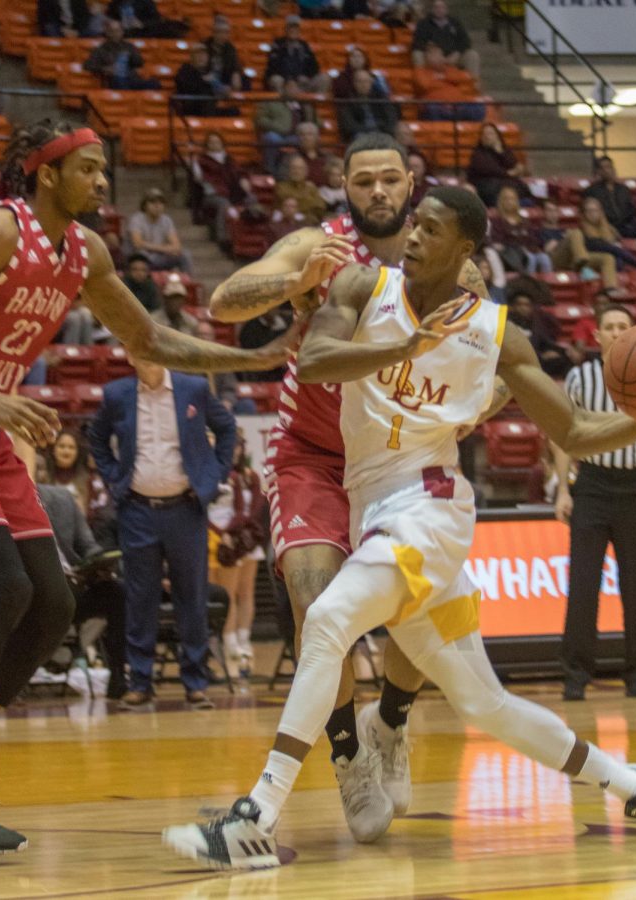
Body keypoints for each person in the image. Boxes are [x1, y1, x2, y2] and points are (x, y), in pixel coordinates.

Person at [163, 186, 636, 870]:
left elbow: (574, 433)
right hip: (373, 504)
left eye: (432, 228)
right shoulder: (365, 286)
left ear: (465, 251)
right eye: (414, 225)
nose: (415, 235)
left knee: (331, 619)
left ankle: (256, 815)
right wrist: (402, 343)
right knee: (485, 705)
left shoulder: (496, 334)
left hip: (428, 508)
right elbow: (312, 362)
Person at [0, 116, 297, 853]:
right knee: (4, 588)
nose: (104, 182)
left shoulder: (86, 251)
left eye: (105, 169)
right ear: (47, 174)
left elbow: (149, 340)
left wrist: (256, 357)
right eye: (90, 169)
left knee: (52, 601)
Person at [205, 133, 489, 844]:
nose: (378, 194)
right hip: (312, 453)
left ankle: (390, 722)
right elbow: (224, 301)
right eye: (363, 182)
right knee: (314, 602)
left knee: (414, 607)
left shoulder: (452, 263)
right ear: (344, 185)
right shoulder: (317, 245)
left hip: (400, 459)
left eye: (390, 179)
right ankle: (346, 756)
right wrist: (293, 284)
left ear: (412, 180)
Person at [89, 353, 237, 709]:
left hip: (186, 509)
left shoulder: (194, 388)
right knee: (140, 600)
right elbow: (96, 439)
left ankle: (196, 682)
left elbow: (227, 427)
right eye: (136, 348)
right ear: (130, 355)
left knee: (192, 597)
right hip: (137, 510)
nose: (145, 355)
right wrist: (113, 478)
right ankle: (140, 682)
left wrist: (213, 476)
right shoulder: (116, 394)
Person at [553, 304, 636, 701]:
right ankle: (576, 676)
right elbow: (561, 432)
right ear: (598, 336)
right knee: (583, 586)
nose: (614, 332)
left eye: (622, 327)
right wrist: (562, 488)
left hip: (635, 489)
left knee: (633, 588)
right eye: (608, 326)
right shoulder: (580, 376)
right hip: (591, 486)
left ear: (632, 334)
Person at [36, 481, 127, 699]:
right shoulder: (3, 497)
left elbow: (88, 545)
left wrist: (100, 563)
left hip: (72, 583)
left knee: (115, 593)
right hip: (33, 590)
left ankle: (119, 678)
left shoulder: (62, 498)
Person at [209, 431, 267, 677]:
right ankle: (227, 640)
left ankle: (243, 640)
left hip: (242, 539)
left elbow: (253, 509)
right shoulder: (211, 472)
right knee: (224, 593)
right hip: (214, 537)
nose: (234, 450)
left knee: (244, 592)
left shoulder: (250, 476)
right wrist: (218, 532)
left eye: (237, 446)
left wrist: (234, 531)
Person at [191, 132, 253, 250]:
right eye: (211, 142)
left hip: (233, 191)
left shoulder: (229, 159)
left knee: (251, 198)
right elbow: (199, 179)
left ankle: (249, 235)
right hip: (212, 194)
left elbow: (240, 172)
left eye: (217, 141)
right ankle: (223, 237)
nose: (214, 144)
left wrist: (244, 179)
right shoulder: (201, 161)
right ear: (207, 144)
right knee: (224, 204)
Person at [126, 187, 193, 274]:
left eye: (161, 203)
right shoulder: (137, 219)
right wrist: (166, 248)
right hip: (141, 257)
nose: (157, 206)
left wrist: (155, 248)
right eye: (153, 202)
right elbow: (138, 243)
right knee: (142, 254)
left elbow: (177, 246)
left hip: (159, 256)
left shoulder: (166, 220)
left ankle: (187, 283)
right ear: (145, 205)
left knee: (185, 254)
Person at [83, 19, 161, 91]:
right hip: (115, 79)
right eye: (112, 31)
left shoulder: (129, 46)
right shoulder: (100, 49)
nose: (115, 34)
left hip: (131, 78)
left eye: (117, 31)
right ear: (107, 33)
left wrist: (132, 57)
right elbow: (88, 65)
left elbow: (139, 63)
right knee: (119, 80)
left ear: (122, 32)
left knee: (154, 83)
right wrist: (104, 69)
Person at [413, 43, 483, 122]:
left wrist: (441, 77)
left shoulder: (449, 69)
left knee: (478, 107)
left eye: (439, 54)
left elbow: (464, 78)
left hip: (457, 107)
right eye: (433, 54)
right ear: (426, 57)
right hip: (437, 108)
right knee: (432, 108)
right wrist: (447, 80)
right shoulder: (421, 71)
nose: (437, 57)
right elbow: (424, 85)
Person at [411, 0, 480, 80]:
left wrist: (457, 53)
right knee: (417, 54)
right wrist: (430, 51)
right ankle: (422, 82)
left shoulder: (455, 23)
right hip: (432, 56)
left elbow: (466, 41)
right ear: (432, 9)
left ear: (446, 9)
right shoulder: (423, 24)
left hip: (453, 56)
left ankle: (474, 84)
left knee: (472, 55)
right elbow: (417, 42)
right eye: (436, 7)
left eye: (442, 7)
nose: (439, 10)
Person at [492, 184, 552, 275]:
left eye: (512, 199)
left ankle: (548, 285)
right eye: (506, 199)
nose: (509, 202)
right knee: (530, 258)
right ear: (501, 201)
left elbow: (533, 239)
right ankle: (528, 284)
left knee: (544, 258)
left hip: (529, 251)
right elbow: (499, 243)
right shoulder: (497, 221)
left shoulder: (524, 221)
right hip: (511, 255)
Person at [583, 156, 636, 238]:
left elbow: (631, 210)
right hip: (606, 227)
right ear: (598, 171)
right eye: (604, 168)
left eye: (609, 167)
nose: (607, 171)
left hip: (626, 226)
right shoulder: (592, 191)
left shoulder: (624, 189)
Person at [264, 15, 330, 94]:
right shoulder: (278, 44)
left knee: (324, 78)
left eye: (296, 28)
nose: (293, 30)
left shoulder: (304, 45)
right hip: (284, 81)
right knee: (276, 79)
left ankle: (315, 104)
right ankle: (284, 105)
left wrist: (306, 77)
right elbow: (273, 67)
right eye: (291, 28)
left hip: (302, 82)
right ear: (286, 29)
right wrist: (289, 79)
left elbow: (314, 67)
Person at [466, 122, 525, 209]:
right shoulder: (478, 154)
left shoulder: (504, 151)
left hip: (505, 184)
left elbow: (515, 166)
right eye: (484, 134)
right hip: (486, 186)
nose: (487, 136)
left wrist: (500, 152)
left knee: (520, 187)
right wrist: (508, 174)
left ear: (497, 136)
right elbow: (488, 169)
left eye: (490, 133)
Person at [336, 69, 399, 143]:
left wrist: (383, 129)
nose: (363, 85)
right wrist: (369, 130)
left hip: (382, 132)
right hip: (360, 135)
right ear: (354, 83)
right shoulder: (347, 101)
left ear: (371, 82)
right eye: (360, 81)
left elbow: (391, 117)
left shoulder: (381, 98)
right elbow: (349, 125)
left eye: (366, 81)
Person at [44, 428, 92, 515]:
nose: (66, 451)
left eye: (71, 447)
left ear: (77, 452)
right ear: (53, 450)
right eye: (61, 446)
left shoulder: (88, 480)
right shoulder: (43, 477)